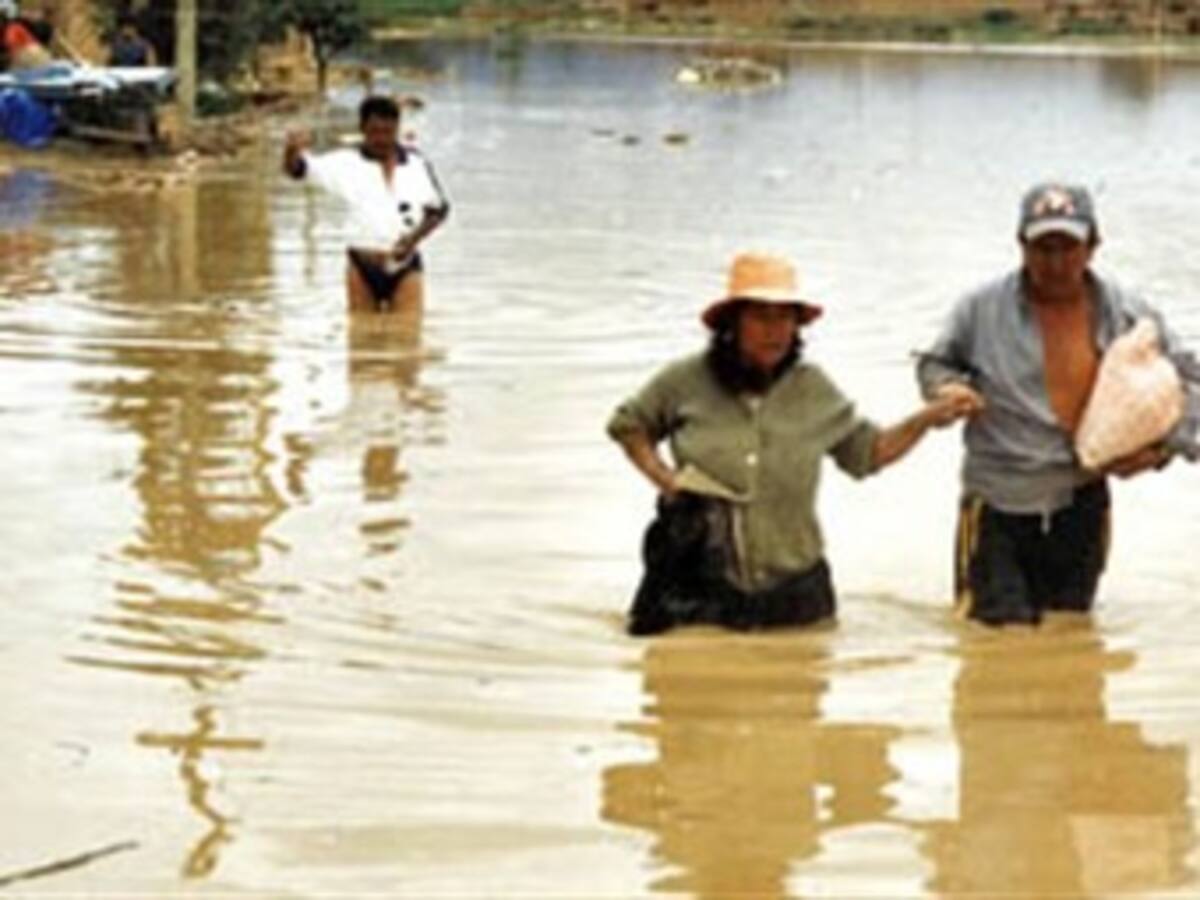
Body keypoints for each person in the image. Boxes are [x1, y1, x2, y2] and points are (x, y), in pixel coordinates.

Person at [606, 251, 971, 635]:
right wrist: (664, 478)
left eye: (786, 318)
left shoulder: (812, 388)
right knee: (686, 685)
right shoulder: (685, 380)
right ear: (732, 322)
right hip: (696, 580)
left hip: (796, 589)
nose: (775, 330)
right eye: (761, 316)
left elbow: (869, 453)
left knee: (799, 683)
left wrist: (926, 418)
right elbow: (629, 425)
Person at [916, 182, 1200, 627]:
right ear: (1021, 245)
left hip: (1082, 502)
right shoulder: (979, 309)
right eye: (1042, 247)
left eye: (1067, 247)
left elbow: (1189, 378)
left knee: (1071, 632)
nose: (1055, 262)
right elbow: (934, 364)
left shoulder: (1126, 311)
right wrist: (946, 391)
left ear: (1093, 246)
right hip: (997, 504)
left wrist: (1163, 451)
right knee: (995, 643)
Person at [282, 95, 450, 313]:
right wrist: (291, 150)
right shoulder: (345, 163)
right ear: (362, 129)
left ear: (397, 128)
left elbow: (439, 210)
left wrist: (412, 240)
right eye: (375, 132)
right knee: (361, 340)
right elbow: (298, 170)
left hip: (405, 265)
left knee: (407, 337)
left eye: (388, 132)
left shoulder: (416, 163)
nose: (381, 139)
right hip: (362, 264)